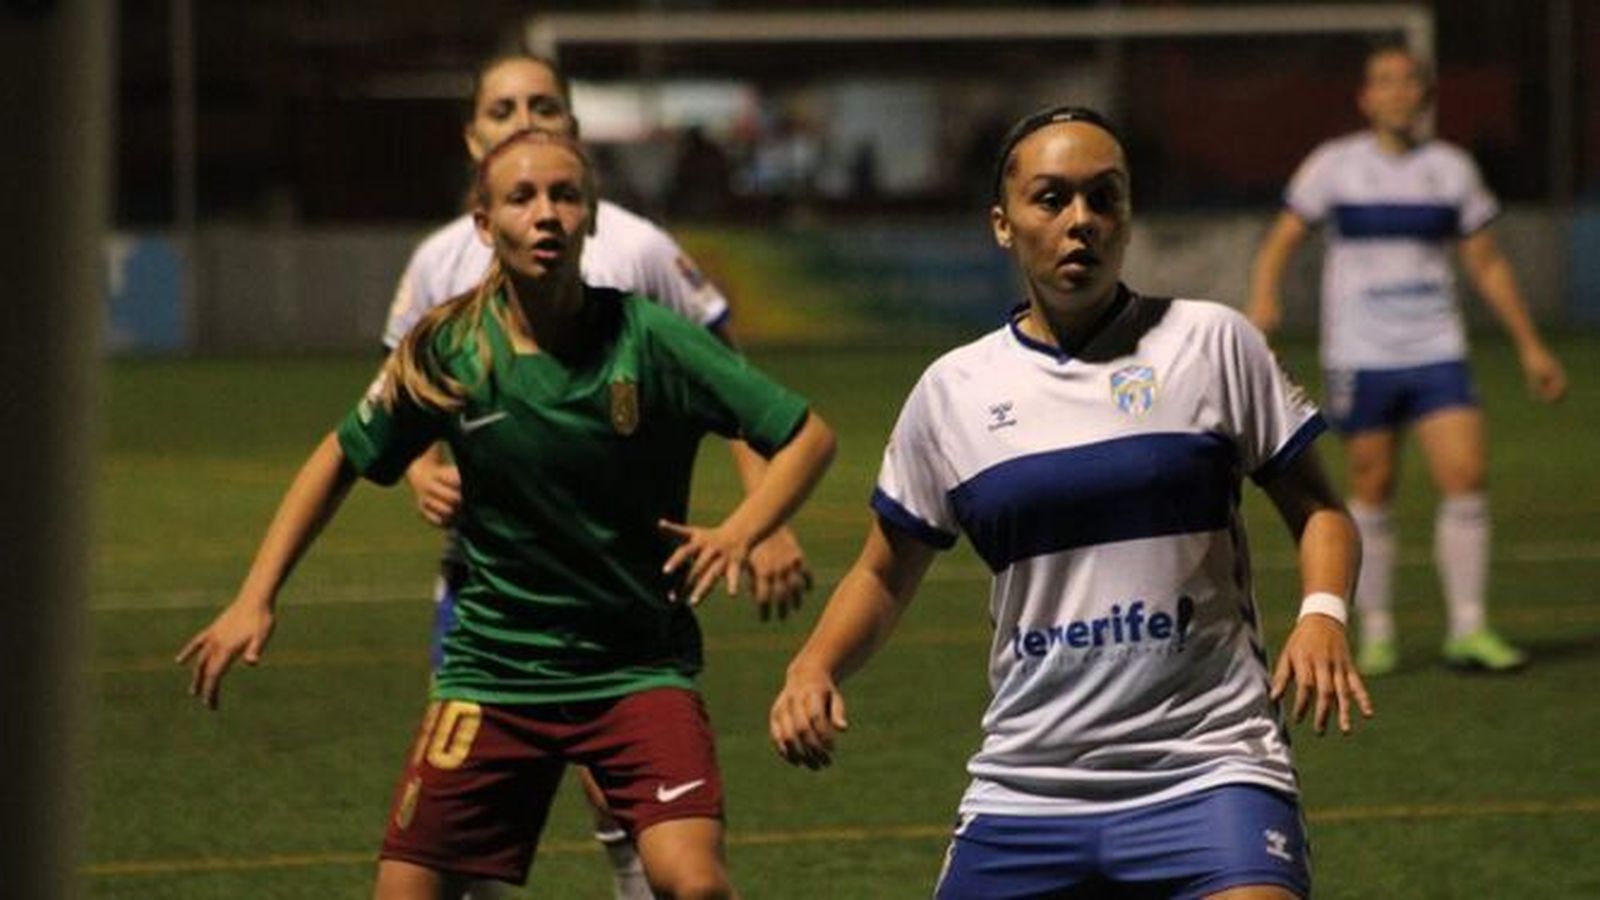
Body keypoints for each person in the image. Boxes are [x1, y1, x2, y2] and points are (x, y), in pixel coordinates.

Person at [179, 129, 836, 900]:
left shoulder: (652, 340)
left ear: (591, 215)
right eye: (522, 198)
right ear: (485, 225)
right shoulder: (449, 351)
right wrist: (256, 596)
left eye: (565, 196)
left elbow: (805, 435)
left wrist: (741, 530)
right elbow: (338, 458)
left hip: (634, 669)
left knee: (692, 886)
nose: (547, 214)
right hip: (492, 672)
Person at [770, 106, 1372, 899]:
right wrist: (813, 666)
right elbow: (885, 571)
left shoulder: (1213, 345)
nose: (1079, 222)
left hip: (1210, 770)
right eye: (1051, 200)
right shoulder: (953, 392)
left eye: (1103, 198)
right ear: (1003, 224)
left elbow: (1321, 510)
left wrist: (1323, 612)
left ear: (1127, 216)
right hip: (1027, 788)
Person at [385, 52, 814, 898]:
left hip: (618, 587)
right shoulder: (440, 262)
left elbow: (724, 384)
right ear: (475, 136)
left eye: (541, 104)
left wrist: (765, 518)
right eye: (502, 109)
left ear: (574, 130)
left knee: (623, 799)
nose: (522, 120)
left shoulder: (639, 250)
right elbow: (396, 398)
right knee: (472, 813)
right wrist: (420, 472)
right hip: (485, 591)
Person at [1247, 43, 1567, 676]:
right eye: (1385, 82)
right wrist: (1263, 302)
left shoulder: (1451, 169)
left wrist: (1531, 346)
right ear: (1367, 98)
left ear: (1424, 95)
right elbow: (1283, 239)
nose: (1398, 92)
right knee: (1371, 485)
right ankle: (1380, 633)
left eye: (1409, 82)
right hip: (1361, 354)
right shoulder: (1334, 166)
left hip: (1436, 347)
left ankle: (1470, 628)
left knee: (1467, 475)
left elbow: (1486, 261)